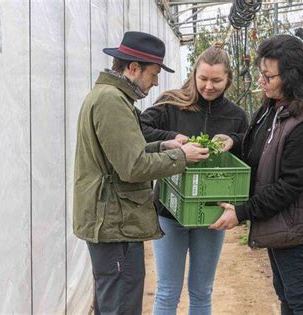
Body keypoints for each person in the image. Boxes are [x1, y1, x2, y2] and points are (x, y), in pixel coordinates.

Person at [73, 31, 210, 315]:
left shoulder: (109, 96)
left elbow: (120, 154)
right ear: (133, 68)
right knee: (121, 306)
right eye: (154, 73)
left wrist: (162, 145)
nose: (156, 81)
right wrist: (180, 156)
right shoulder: (112, 101)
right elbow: (132, 167)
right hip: (115, 223)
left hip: (111, 220)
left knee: (111, 303)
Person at [210, 35, 303, 314]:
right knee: (287, 294)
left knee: (301, 300)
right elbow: (262, 145)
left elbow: (289, 186)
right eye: (261, 73)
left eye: (268, 76)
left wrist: (242, 211)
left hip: (297, 224)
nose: (261, 81)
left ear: (291, 77)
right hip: (281, 221)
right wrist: (235, 141)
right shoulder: (277, 106)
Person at [140, 44, 248, 314]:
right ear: (194, 74)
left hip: (211, 214)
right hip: (169, 211)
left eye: (216, 80)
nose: (208, 86)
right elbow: (139, 129)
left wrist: (234, 140)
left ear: (228, 79)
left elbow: (252, 149)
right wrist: (170, 139)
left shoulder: (236, 116)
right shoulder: (172, 103)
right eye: (203, 78)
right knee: (167, 292)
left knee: (202, 292)